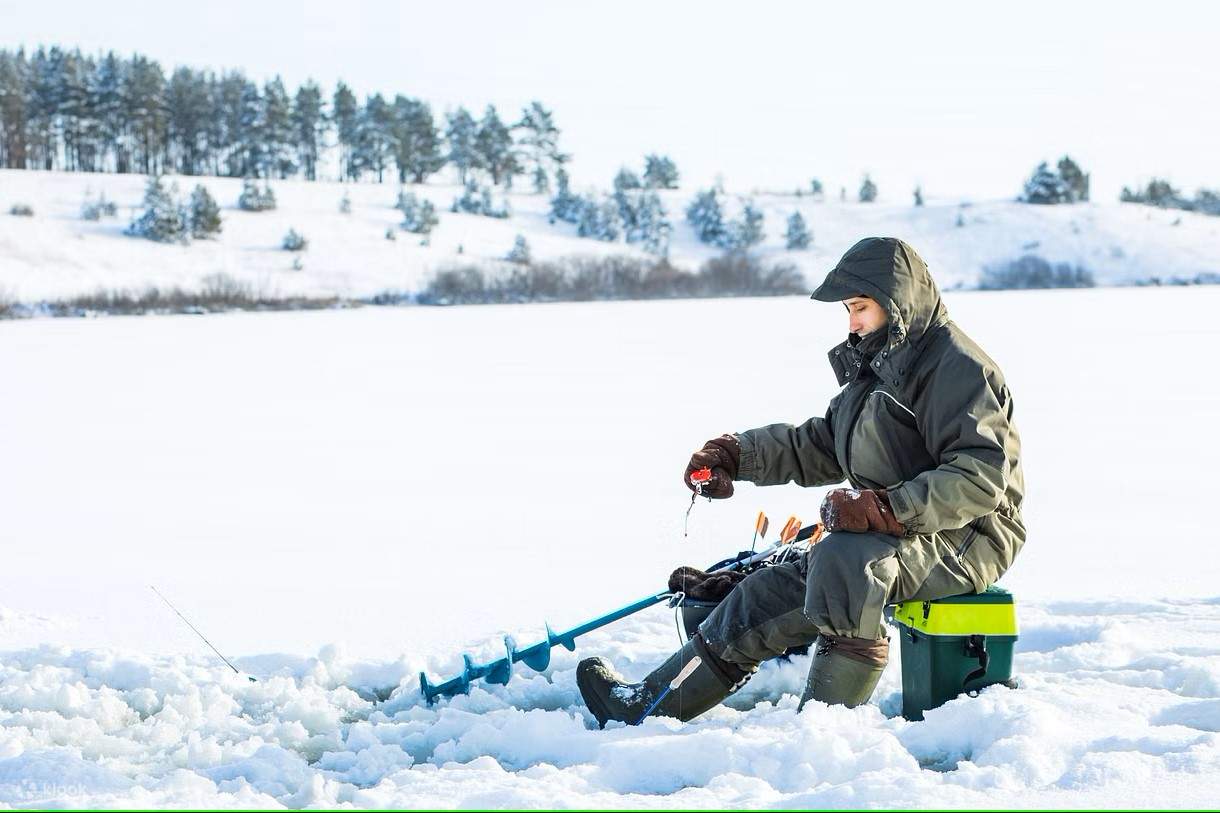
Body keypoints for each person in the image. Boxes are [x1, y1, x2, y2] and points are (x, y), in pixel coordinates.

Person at [578, 236, 1025, 727]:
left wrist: (885, 509)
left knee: (845, 559)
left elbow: (981, 476)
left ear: (896, 302)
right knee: (760, 594)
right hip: (896, 530)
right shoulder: (879, 366)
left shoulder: (957, 367)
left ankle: (822, 731)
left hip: (968, 535)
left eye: (860, 307)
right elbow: (818, 444)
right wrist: (735, 455)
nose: (851, 322)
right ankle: (649, 704)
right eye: (848, 311)